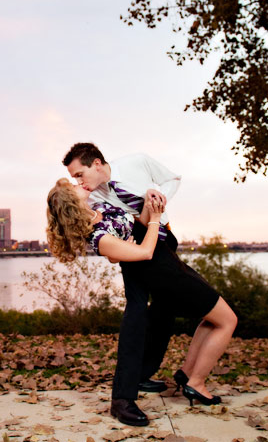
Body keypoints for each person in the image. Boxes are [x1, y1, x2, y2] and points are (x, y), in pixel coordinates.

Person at [47, 146, 237, 427]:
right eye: (74, 182)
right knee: (212, 318)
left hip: (160, 250)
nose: (79, 183)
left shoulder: (103, 202)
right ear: (72, 204)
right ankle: (134, 395)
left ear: (96, 163)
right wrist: (151, 222)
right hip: (152, 261)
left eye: (78, 176)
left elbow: (138, 223)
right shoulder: (97, 218)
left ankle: (178, 375)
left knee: (169, 312)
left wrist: (152, 205)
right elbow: (119, 250)